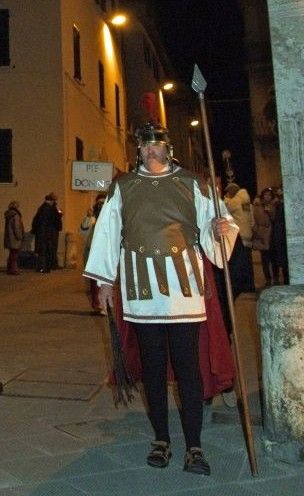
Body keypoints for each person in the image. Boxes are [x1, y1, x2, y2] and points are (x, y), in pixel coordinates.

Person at [84, 122, 238, 476]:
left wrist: (220, 230)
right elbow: (108, 234)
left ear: (168, 149)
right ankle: (161, 439)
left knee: (188, 369)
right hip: (142, 292)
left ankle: (194, 446)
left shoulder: (193, 183)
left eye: (156, 145)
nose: (150, 150)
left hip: (185, 291)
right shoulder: (123, 187)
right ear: (138, 150)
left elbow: (219, 224)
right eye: (145, 146)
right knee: (153, 369)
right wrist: (104, 282)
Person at [82, 193, 107, 314]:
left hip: (105, 253)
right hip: (93, 253)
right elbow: (83, 231)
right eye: (99, 204)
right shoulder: (92, 220)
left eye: (103, 203)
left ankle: (101, 303)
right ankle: (98, 304)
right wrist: (89, 217)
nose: (101, 206)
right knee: (95, 281)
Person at [252, 187, 278, 286]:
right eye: (265, 195)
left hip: (272, 234)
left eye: (269, 195)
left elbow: (276, 219)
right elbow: (254, 219)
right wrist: (257, 230)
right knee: (264, 258)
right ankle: (267, 279)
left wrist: (270, 212)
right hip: (262, 234)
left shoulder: (275, 205)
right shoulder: (257, 205)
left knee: (274, 257)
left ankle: (276, 278)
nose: (267, 197)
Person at [31, 193, 62, 273]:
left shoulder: (43, 208)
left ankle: (42, 267)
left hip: (43, 233)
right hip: (46, 233)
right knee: (45, 250)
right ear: (51, 201)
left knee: (43, 250)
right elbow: (49, 221)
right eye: (54, 200)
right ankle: (44, 268)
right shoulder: (47, 209)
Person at [4, 201, 24, 275]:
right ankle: (14, 270)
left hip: (9, 237)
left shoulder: (8, 215)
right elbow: (16, 227)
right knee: (14, 255)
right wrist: (20, 236)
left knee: (11, 254)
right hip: (14, 238)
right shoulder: (16, 215)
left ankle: (10, 269)